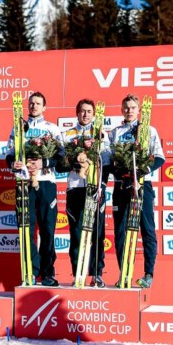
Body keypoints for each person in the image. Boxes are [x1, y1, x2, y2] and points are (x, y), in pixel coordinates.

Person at [6, 92, 64, 286]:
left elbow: (62, 158)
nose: (34, 107)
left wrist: (43, 162)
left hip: (46, 182)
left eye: (38, 104)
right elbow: (10, 154)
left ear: (44, 107)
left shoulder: (52, 129)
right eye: (31, 104)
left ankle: (48, 273)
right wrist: (13, 163)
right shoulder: (18, 128)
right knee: (26, 229)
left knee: (48, 229)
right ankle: (30, 271)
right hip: (24, 183)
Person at [109, 94, 165, 288]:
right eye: (126, 107)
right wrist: (122, 171)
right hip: (121, 186)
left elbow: (159, 157)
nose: (129, 110)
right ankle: (124, 274)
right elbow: (109, 161)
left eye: (133, 107)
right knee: (121, 232)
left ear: (139, 109)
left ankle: (148, 274)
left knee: (147, 229)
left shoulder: (148, 130)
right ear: (121, 109)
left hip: (143, 184)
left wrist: (141, 170)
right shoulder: (114, 132)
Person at [61, 99, 110, 287]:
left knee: (98, 232)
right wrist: (74, 163)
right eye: (82, 111)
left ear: (94, 114)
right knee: (76, 232)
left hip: (95, 187)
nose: (85, 114)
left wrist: (101, 184)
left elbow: (107, 162)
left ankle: (96, 274)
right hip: (75, 187)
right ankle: (77, 274)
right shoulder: (68, 135)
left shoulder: (101, 134)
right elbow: (61, 163)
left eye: (89, 111)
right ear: (76, 113)